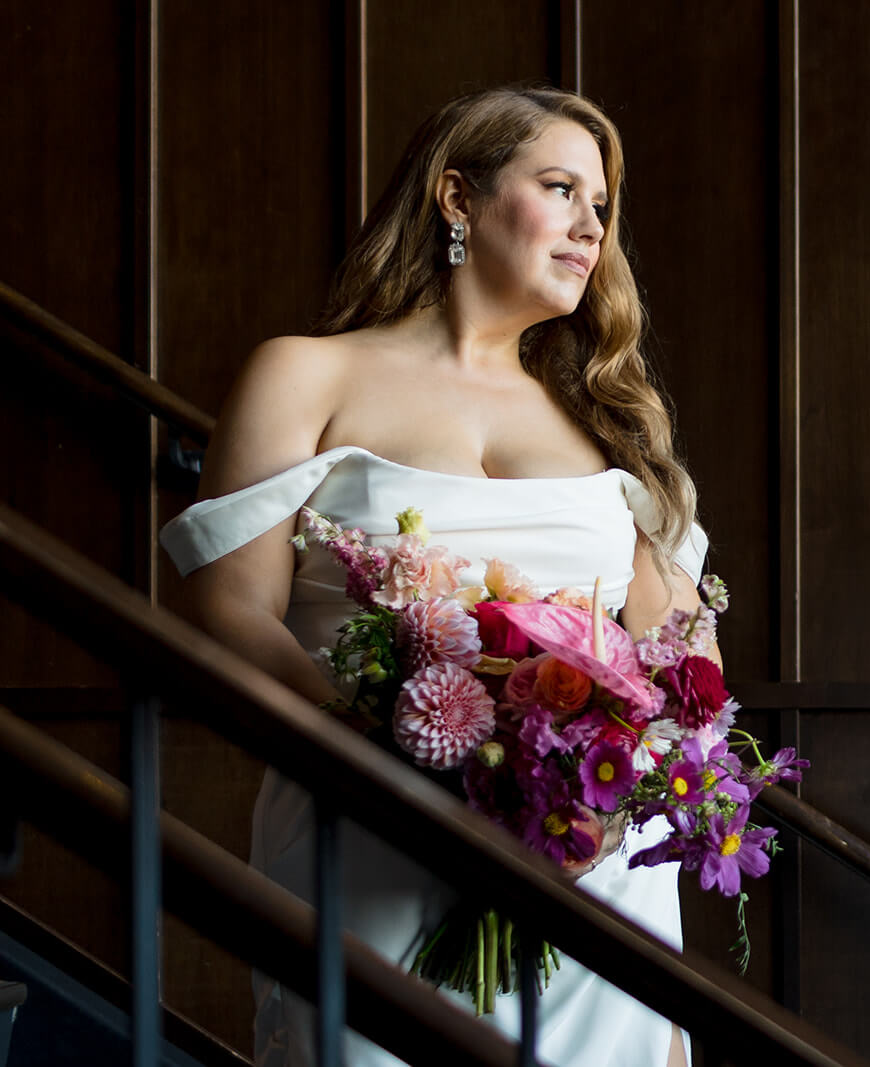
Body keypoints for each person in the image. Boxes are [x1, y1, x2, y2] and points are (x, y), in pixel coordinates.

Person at [160, 85, 707, 1067]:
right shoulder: (306, 375)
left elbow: (681, 654)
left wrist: (608, 799)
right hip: (369, 821)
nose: (591, 226)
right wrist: (386, 748)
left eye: (602, 205)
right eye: (559, 188)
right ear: (457, 197)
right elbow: (229, 605)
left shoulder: (610, 419)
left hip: (588, 865)